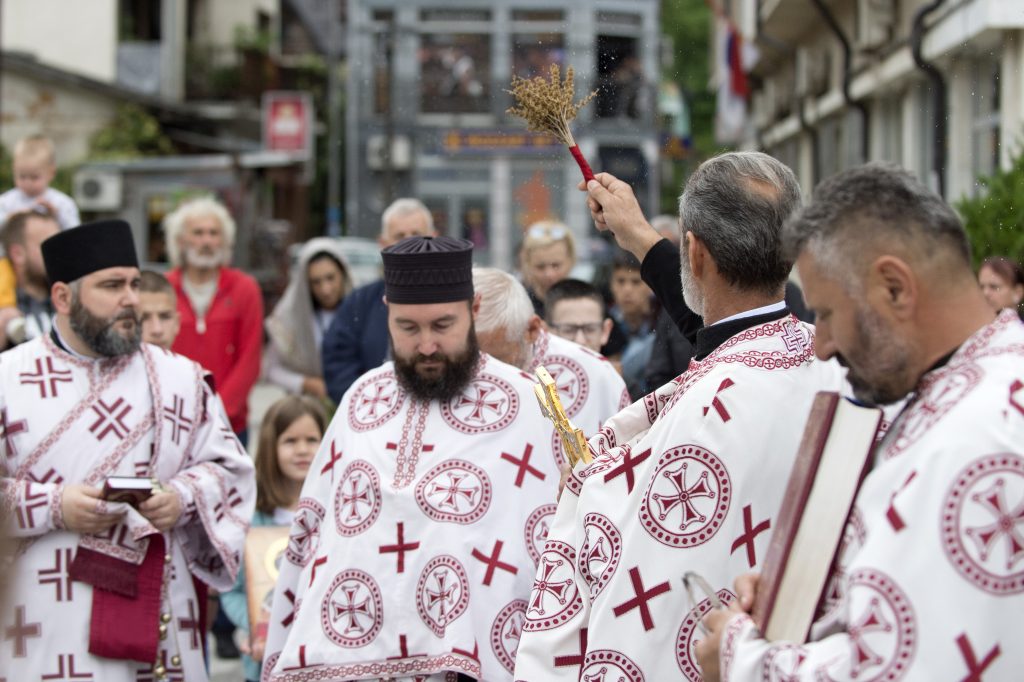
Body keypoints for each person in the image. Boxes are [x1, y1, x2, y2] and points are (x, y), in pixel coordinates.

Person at [513, 152, 845, 681]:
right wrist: (641, 236)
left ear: (695, 252)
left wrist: (584, 484)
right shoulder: (837, 365)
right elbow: (728, 330)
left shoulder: (699, 413)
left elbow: (629, 560)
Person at [695, 163, 1024, 682]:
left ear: (894, 288)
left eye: (826, 313)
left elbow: (911, 667)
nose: (821, 344)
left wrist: (739, 654)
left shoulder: (971, 434)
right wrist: (806, 597)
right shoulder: (984, 381)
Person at [263, 236, 561, 681]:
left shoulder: (528, 403)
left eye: (443, 326)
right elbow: (315, 529)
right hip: (355, 663)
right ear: (386, 311)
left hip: (476, 661)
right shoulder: (360, 400)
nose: (425, 346)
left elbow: (553, 536)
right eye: (408, 328)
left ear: (474, 308)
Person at [0, 219, 255, 681]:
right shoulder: (7, 379)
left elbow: (229, 469)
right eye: (112, 285)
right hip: (41, 620)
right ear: (63, 298)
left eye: (135, 284)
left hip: (158, 607)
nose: (131, 299)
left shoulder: (181, 378)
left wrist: (180, 498)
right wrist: (54, 505)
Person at [473, 267, 630, 465]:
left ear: (531, 330)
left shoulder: (596, 374)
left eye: (496, 358)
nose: (483, 370)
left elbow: (623, 461)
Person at [221, 395, 327, 682]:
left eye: (312, 439)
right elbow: (232, 592)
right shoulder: (251, 518)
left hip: (321, 660)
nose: (303, 450)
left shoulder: (337, 515)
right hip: (264, 664)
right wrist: (256, 627)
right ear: (271, 447)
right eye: (290, 441)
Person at [163, 197, 264, 443]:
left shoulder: (244, 288)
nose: (207, 241)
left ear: (225, 241)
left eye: (214, 233)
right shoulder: (163, 290)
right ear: (180, 240)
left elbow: (250, 360)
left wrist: (217, 412)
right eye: (198, 233)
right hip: (173, 424)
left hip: (230, 426)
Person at [321, 198, 436, 402]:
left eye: (416, 234)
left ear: (434, 238)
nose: (409, 242)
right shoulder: (359, 303)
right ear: (382, 244)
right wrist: (373, 403)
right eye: (400, 236)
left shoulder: (455, 301)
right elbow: (338, 365)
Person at [265, 238, 352, 398]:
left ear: (343, 274)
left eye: (330, 278)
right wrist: (307, 383)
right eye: (316, 282)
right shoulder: (289, 317)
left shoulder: (360, 312)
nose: (325, 289)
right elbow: (272, 370)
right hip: (307, 406)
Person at [0, 208, 61, 348]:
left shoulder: (71, 298)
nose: (60, 252)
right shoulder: (4, 305)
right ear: (18, 254)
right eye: (49, 245)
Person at [605, 249, 658, 398]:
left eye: (636, 282)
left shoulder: (664, 323)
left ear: (649, 285)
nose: (627, 289)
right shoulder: (602, 322)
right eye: (621, 281)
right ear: (611, 285)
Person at [0, 134, 80, 230]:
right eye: (22, 176)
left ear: (51, 173)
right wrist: (12, 218)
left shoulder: (62, 203)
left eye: (34, 177)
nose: (27, 183)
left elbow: (74, 234)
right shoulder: (6, 202)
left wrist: (56, 216)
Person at [520, 219, 577, 316]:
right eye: (540, 267)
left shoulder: (590, 304)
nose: (549, 274)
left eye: (556, 265)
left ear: (571, 261)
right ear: (528, 264)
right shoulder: (518, 307)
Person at [545, 278, 614, 353]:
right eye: (568, 330)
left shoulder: (609, 365)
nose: (580, 341)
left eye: (590, 329)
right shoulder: (537, 365)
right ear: (545, 332)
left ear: (605, 331)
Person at [139, 270, 182, 351]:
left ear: (177, 322)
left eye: (165, 317)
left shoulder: (188, 364)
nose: (157, 330)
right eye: (144, 318)